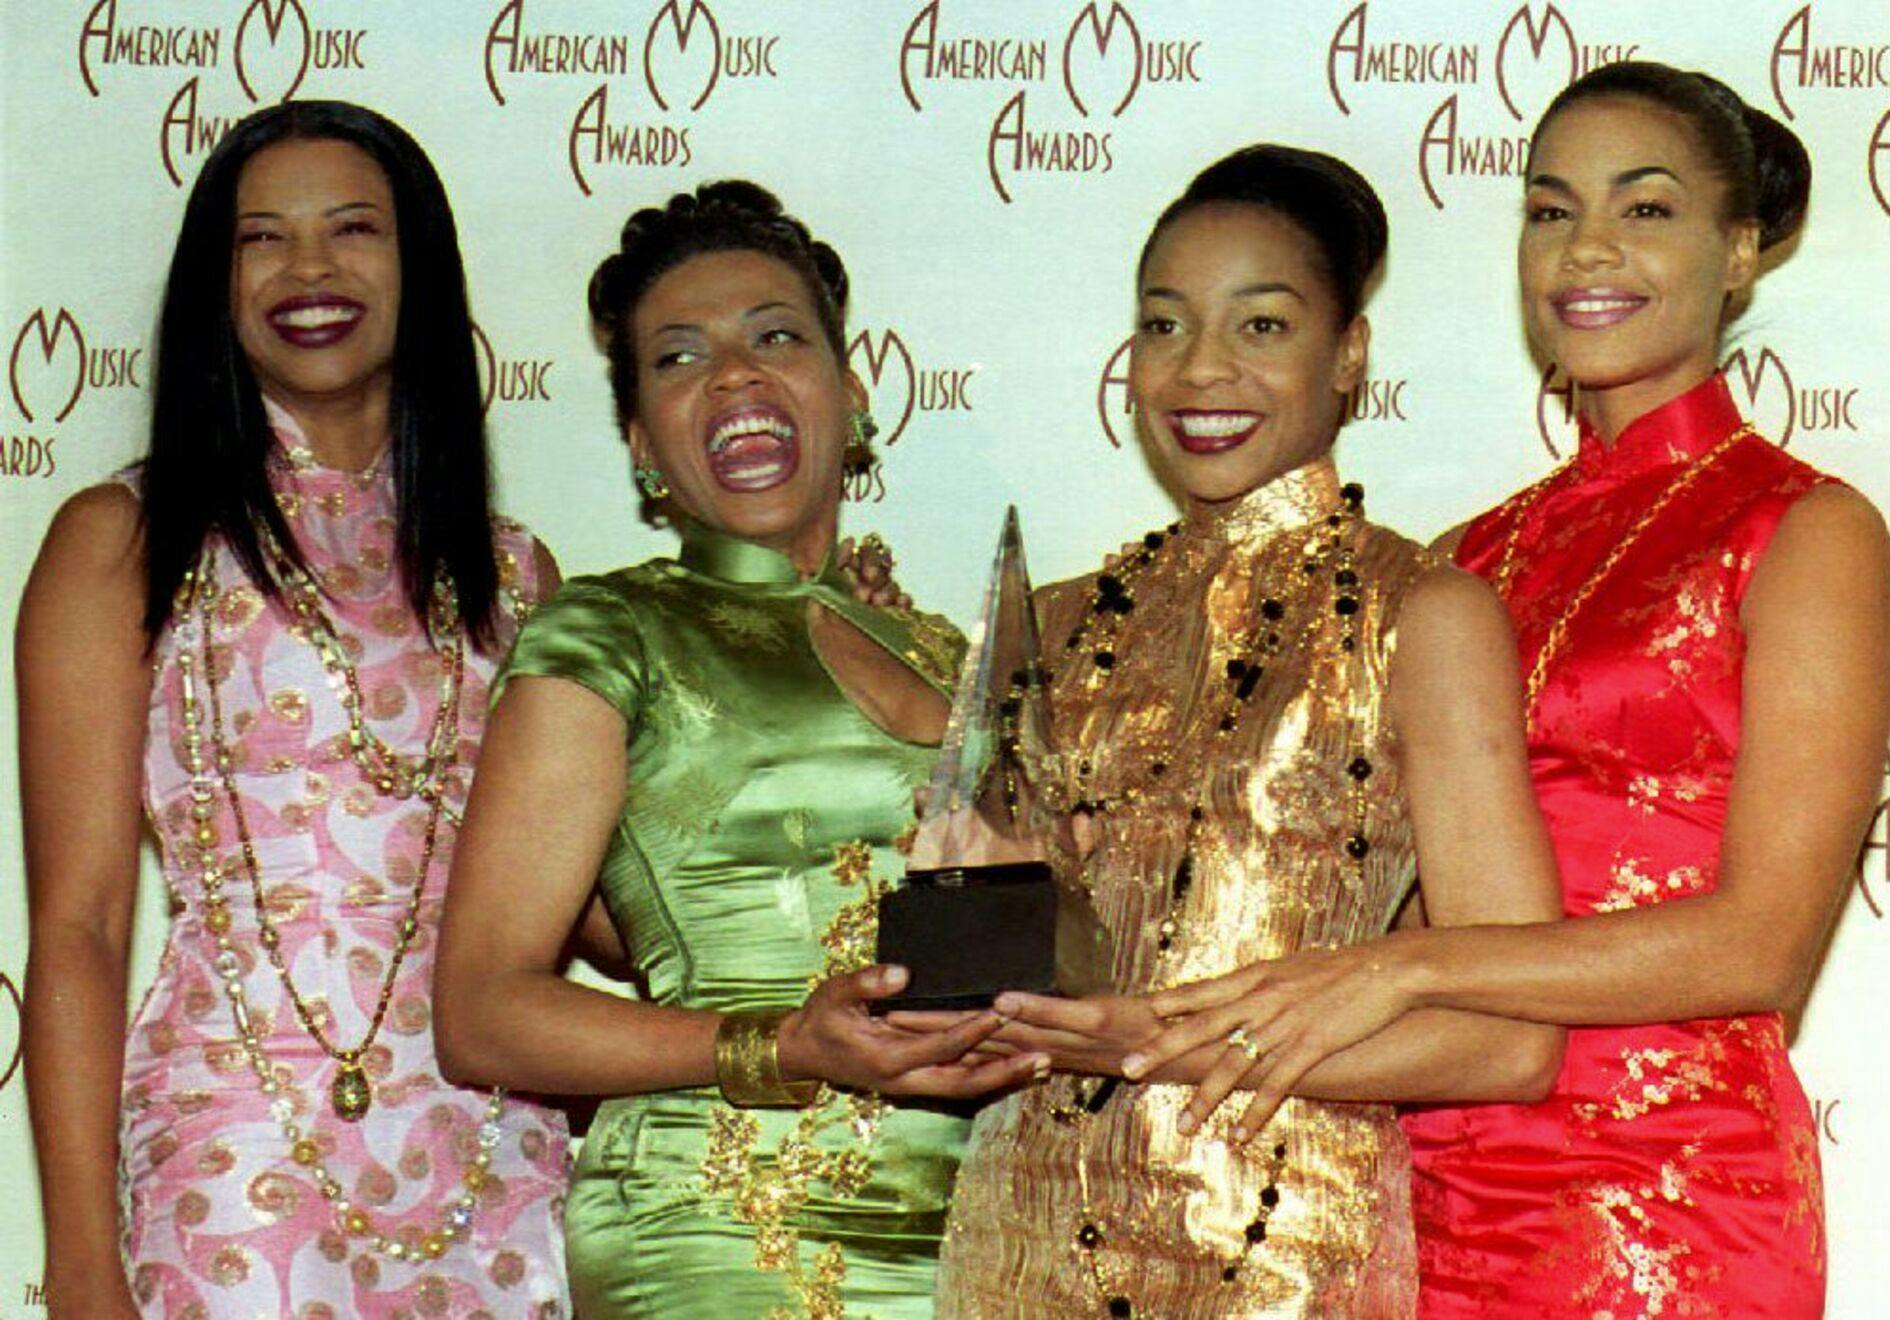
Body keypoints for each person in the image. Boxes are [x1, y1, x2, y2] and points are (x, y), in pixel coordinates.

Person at [1126, 65, 1890, 1317]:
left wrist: (1409, 971)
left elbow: (1764, 943)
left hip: (1665, 1181)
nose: (1587, 248)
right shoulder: (1465, 558)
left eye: (1644, 210)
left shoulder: (1804, 527)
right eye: (1550, 210)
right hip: (1416, 1167)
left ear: (1742, 248)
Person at [925, 145, 1566, 1317]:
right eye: (1164, 327)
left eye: (1261, 326)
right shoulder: (1048, 622)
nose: (1201, 369)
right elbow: (979, 980)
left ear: (1349, 357)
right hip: (1015, 1244)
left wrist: (1154, 1041)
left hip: (1281, 1255)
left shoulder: (1423, 611)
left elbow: (1510, 1045)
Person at [430, 180, 1043, 1319]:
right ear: (639, 443)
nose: (734, 376)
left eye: (775, 337)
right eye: (678, 357)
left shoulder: (958, 654)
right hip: (720, 1233)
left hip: (978, 1239)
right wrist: (782, 1048)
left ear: (854, 396)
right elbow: (481, 1012)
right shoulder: (610, 633)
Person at [18, 102, 574, 1317]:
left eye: (354, 229)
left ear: (418, 267)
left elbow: (588, 910)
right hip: (237, 1156)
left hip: (496, 1151)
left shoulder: (519, 576)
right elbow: (83, 924)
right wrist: (77, 1268)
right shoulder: (119, 542)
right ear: (212, 286)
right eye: (262, 237)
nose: (310, 270)